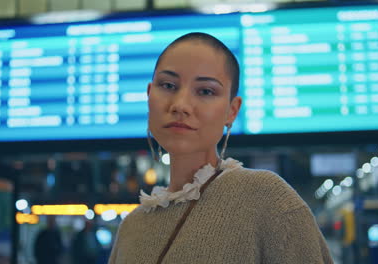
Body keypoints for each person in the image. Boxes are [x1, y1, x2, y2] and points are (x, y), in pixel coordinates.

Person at [108, 32, 333, 263]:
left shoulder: (267, 199)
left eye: (205, 91)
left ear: (232, 111)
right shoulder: (131, 227)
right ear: (149, 95)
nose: (181, 105)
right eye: (167, 85)